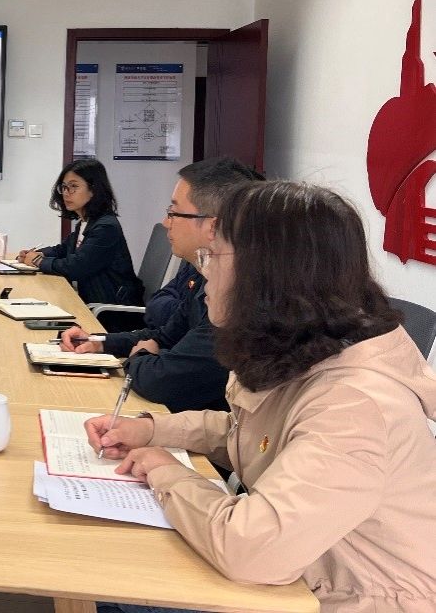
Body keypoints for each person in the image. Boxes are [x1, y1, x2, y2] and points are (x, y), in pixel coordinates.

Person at [87, 181, 436, 613]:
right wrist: (153, 430)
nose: (203, 272)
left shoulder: (354, 405)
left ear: (267, 275)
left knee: (119, 586)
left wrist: (166, 473)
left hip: (361, 600)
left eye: (212, 255)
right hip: (305, 576)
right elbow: (252, 434)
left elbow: (251, 550)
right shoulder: (302, 349)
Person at [59, 158, 262, 413]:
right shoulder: (200, 274)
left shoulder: (241, 295)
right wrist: (99, 342)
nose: (166, 222)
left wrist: (140, 356)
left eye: (173, 212)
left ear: (212, 225)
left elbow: (162, 380)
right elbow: (165, 336)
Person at [15, 159, 143, 323]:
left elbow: (76, 267)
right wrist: (36, 254)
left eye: (74, 186)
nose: (66, 193)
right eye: (64, 187)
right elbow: (62, 250)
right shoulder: (86, 222)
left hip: (111, 314)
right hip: (91, 303)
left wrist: (38, 261)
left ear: (94, 189)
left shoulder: (106, 227)